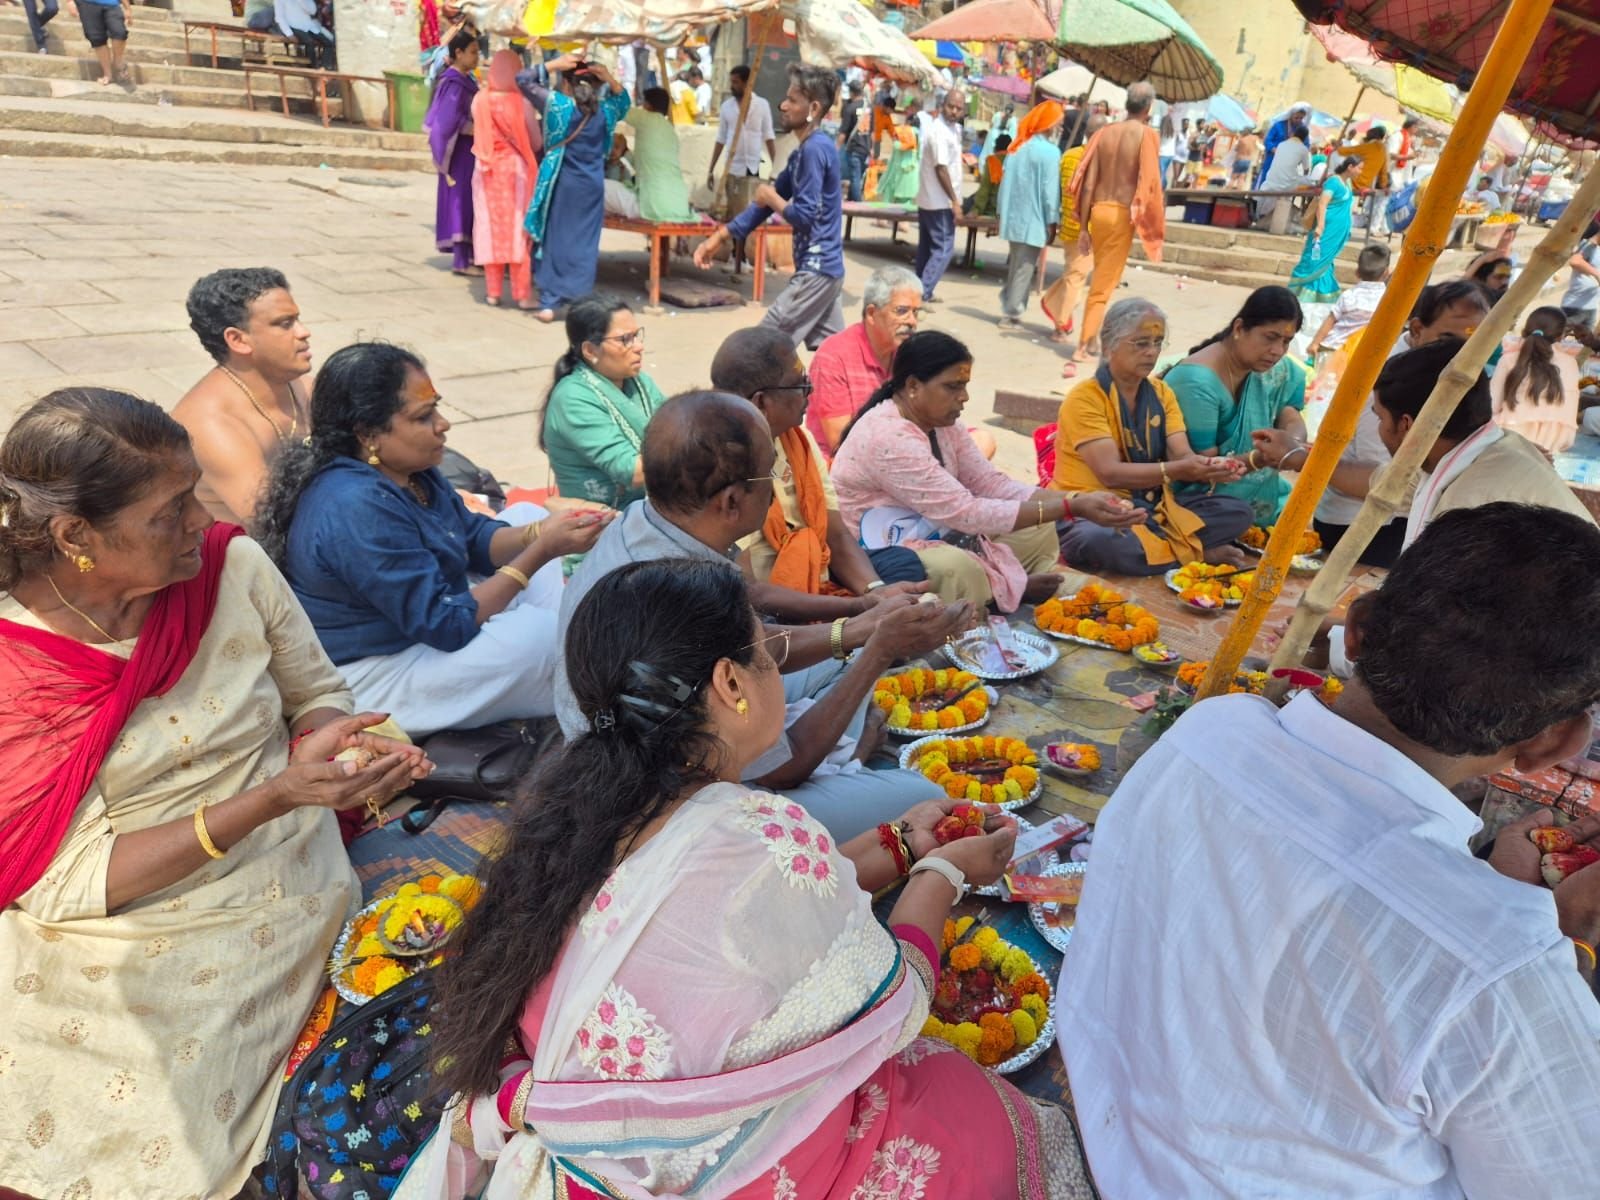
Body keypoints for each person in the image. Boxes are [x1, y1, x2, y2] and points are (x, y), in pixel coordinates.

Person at [403, 557, 1103, 1199]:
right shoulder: (759, 835)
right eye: (766, 653)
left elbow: (767, 901)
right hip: (720, 1167)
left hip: (602, 1159)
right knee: (959, 1110)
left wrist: (900, 841)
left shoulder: (575, 815)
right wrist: (943, 872)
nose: (773, 665)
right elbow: (898, 1000)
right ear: (731, 684)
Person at [1064, 501, 1600, 1198]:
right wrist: (1571, 946)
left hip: (1107, 1140)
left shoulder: (1210, 733)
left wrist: (1508, 906)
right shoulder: (1499, 966)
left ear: (1360, 629)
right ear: (1554, 743)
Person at [0, 388, 429, 1198]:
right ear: (74, 537)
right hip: (101, 917)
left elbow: (317, 694)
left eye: (195, 490)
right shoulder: (18, 666)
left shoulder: (231, 565)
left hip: (271, 887)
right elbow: (61, 883)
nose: (202, 519)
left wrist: (332, 748)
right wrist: (277, 792)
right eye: (170, 511)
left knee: (178, 1119)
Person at [551, 391, 970, 839]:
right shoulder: (681, 597)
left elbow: (751, 642)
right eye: (770, 471)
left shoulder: (647, 520)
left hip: (671, 750)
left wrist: (860, 624)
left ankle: (840, 762)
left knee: (841, 652)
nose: (777, 484)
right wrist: (881, 649)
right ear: (732, 502)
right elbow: (782, 769)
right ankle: (843, 766)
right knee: (920, 795)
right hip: (673, 817)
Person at [256, 342, 611, 737]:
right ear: (369, 435)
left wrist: (539, 532)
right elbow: (446, 623)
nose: (443, 424)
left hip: (423, 628)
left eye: (436, 408)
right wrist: (543, 550)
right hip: (375, 674)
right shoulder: (355, 505)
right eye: (424, 416)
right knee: (538, 638)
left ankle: (568, 647)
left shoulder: (408, 469)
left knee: (529, 516)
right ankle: (567, 654)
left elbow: (473, 539)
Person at [833, 330, 1143, 609]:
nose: (964, 397)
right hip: (882, 555)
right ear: (913, 386)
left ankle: (1005, 586)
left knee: (1036, 522)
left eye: (965, 386)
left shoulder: (940, 422)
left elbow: (990, 482)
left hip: (937, 530)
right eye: (953, 387)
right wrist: (1070, 507)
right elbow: (965, 513)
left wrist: (1070, 501)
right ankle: (1003, 592)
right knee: (955, 566)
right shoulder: (889, 436)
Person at [710, 325, 927, 592]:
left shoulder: (798, 440)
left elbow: (835, 533)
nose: (810, 391)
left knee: (903, 566)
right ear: (762, 403)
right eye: (801, 384)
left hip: (817, 575)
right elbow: (749, 592)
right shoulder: (717, 460)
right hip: (767, 601)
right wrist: (859, 610)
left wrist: (876, 592)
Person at [1052, 297, 1253, 574]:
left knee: (1238, 512)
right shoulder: (1085, 399)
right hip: (1096, 508)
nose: (1152, 352)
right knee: (1095, 540)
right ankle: (1196, 555)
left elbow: (1181, 454)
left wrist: (1210, 467)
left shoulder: (1161, 393)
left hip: (1151, 507)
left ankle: (1162, 552)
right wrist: (1179, 469)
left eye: (1158, 342)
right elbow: (1110, 473)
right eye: (1141, 343)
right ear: (1110, 345)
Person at [1314, 280, 1493, 565]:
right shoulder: (1388, 376)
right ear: (1418, 329)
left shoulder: (1455, 370)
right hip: (1364, 521)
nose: (1462, 354)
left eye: (1475, 343)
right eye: (1448, 338)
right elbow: (1388, 480)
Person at [695, 65, 847, 351]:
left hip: (816, 270)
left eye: (792, 100)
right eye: (785, 98)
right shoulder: (803, 151)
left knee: (759, 350)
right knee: (833, 355)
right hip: (825, 271)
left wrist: (770, 197)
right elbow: (763, 205)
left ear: (813, 108)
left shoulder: (816, 149)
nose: (783, 105)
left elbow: (803, 217)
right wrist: (721, 236)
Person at [174, 267, 313, 526]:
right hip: (240, 558)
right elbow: (272, 521)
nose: (303, 332)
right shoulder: (210, 424)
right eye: (285, 324)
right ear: (238, 340)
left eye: (298, 320)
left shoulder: (304, 387)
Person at [1163, 286, 1309, 524]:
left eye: (1286, 342)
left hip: (1262, 500)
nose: (1278, 351)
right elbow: (1201, 470)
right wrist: (1263, 457)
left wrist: (1291, 445)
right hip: (1199, 503)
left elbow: (1290, 415)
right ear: (1239, 328)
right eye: (1270, 338)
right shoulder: (1196, 383)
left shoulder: (1275, 370)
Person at [1064, 80, 1165, 376]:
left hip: (1098, 210)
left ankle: (1090, 339)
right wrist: (1150, 222)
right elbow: (1149, 181)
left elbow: (1089, 183)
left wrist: (1083, 226)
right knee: (1102, 287)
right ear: (1148, 108)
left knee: (1099, 283)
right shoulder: (1147, 135)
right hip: (1122, 213)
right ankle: (1083, 344)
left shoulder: (1105, 133)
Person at [523, 54, 631, 322]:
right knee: (584, 244)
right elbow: (624, 101)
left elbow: (522, 80)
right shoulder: (606, 112)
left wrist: (552, 65)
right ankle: (578, 303)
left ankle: (549, 303)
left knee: (556, 239)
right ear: (596, 86)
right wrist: (609, 77)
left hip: (563, 183)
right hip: (592, 187)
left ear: (568, 85)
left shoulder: (558, 106)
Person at [539, 295, 667, 509]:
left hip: (645, 508)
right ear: (590, 350)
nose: (638, 347)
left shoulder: (639, 381)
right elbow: (633, 472)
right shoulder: (573, 398)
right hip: (598, 524)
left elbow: (674, 426)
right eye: (625, 339)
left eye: (637, 336)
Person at [807, 265, 924, 458]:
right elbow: (840, 441)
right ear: (871, 314)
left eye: (916, 312)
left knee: (981, 440)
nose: (912, 321)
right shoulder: (834, 356)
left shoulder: (909, 354)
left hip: (899, 452)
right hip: (847, 465)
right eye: (902, 311)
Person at [470, 49, 541, 310]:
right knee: (518, 231)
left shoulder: (479, 100)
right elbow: (535, 141)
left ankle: (492, 292)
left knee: (491, 229)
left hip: (486, 170)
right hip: (516, 171)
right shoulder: (522, 103)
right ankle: (522, 295)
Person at [995, 99, 1063, 331]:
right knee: (1024, 268)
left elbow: (1004, 185)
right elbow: (1049, 192)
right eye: (1057, 123)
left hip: (1013, 218)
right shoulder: (1051, 153)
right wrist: (1052, 221)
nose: (1058, 128)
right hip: (1034, 220)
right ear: (1049, 124)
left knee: (1017, 265)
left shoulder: (1017, 147)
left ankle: (1010, 305)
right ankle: (1011, 312)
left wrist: (1000, 213)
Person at [1042, 112, 1106, 352]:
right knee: (1075, 279)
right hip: (1086, 229)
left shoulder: (1068, 156)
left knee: (1073, 273)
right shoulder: (1100, 161)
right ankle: (1060, 325)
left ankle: (1052, 305)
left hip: (1067, 225)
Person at [1491, 306, 1582, 455]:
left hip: (1506, 441)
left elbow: (1492, 405)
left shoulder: (1508, 359)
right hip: (1552, 445)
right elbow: (1568, 418)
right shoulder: (1570, 363)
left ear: (1525, 329)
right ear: (1561, 336)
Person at [424, 29, 479, 276]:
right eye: (473, 52)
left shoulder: (466, 80)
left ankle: (471, 256)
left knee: (470, 202)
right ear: (458, 53)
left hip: (470, 151)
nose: (477, 57)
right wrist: (475, 129)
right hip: (457, 153)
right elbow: (447, 122)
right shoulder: (454, 83)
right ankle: (460, 261)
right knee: (461, 202)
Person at [911, 88, 965, 304]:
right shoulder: (938, 131)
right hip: (938, 200)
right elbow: (940, 168)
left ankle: (919, 291)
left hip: (931, 198)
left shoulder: (954, 129)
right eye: (951, 106)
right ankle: (921, 293)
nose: (954, 111)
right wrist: (954, 201)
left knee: (927, 247)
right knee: (943, 248)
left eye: (958, 108)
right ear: (943, 105)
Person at [707, 63, 776, 217]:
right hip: (731, 167)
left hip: (752, 168)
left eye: (736, 82)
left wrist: (775, 169)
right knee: (733, 213)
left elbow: (769, 136)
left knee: (751, 212)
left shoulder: (762, 105)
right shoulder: (726, 107)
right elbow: (721, 139)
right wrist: (711, 170)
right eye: (731, 82)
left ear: (747, 83)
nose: (732, 86)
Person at [1288, 155, 1358, 303]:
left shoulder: (1348, 183)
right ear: (1350, 167)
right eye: (1360, 168)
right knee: (1313, 259)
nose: (1361, 171)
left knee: (1326, 264)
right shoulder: (1333, 182)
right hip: (1323, 233)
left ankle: (1321, 297)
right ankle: (1299, 295)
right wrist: (1320, 226)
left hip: (1336, 233)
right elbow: (1322, 204)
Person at [1306, 241, 1392, 360]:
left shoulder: (1349, 295)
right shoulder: (1388, 299)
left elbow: (1331, 320)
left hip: (1333, 348)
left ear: (1357, 273)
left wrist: (1315, 343)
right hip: (1363, 354)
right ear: (1387, 272)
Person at [625, 86, 695, 222]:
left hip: (653, 204)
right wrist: (625, 153)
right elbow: (648, 162)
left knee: (602, 188)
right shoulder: (670, 130)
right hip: (679, 203)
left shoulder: (645, 118)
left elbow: (619, 110)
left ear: (648, 105)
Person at [74, 0, 130, 85]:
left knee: (120, 32)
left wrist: (127, 8)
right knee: (96, 38)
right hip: (86, 3)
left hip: (112, 3)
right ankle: (107, 74)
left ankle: (118, 62)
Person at [1257, 101, 1311, 186]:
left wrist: (1298, 157)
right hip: (1273, 157)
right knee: (1266, 179)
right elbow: (1268, 140)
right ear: (1291, 115)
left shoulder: (1302, 129)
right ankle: (1257, 197)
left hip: (1289, 161)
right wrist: (1273, 149)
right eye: (1296, 117)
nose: (1298, 120)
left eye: (1301, 118)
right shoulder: (1278, 125)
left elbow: (1306, 145)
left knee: (1281, 183)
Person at [1560, 219, 1600, 334]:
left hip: (1591, 306)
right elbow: (1575, 261)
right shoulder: (1589, 245)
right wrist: (1597, 274)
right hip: (1575, 306)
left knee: (1587, 343)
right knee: (1557, 338)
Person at [836, 78, 870, 202]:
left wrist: (836, 148)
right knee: (858, 176)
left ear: (851, 92)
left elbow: (843, 132)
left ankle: (856, 205)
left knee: (855, 177)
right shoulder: (868, 109)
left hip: (854, 147)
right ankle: (852, 199)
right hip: (865, 147)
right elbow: (873, 130)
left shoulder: (849, 108)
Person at [274, 0, 332, 69]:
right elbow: (280, 18)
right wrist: (289, 34)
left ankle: (325, 67)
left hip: (308, 26)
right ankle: (313, 68)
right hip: (292, 26)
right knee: (309, 42)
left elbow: (312, 11)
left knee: (328, 43)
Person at [965, 131, 1009, 217]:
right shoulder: (1015, 162)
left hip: (993, 210)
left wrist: (976, 210)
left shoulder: (993, 161)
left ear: (995, 147)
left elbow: (985, 189)